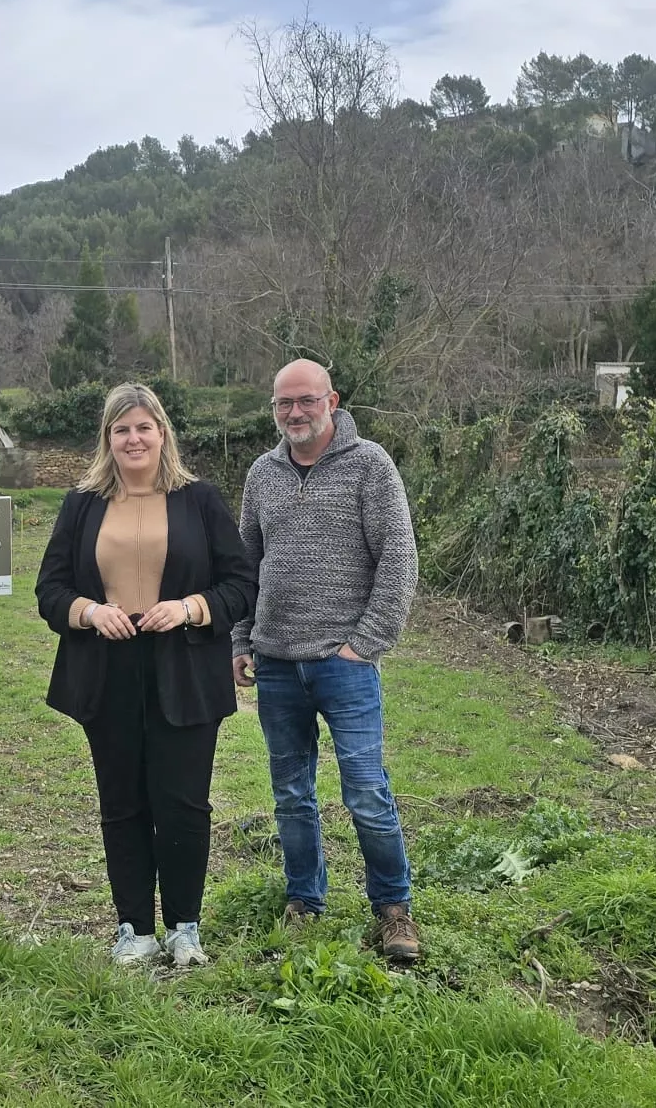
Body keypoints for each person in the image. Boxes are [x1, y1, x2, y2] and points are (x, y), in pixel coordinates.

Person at [35, 382, 257, 968]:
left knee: (183, 803)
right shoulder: (81, 503)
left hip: (184, 667)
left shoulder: (200, 500)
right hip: (107, 670)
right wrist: (89, 611)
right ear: (108, 439)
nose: (134, 438)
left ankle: (185, 926)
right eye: (121, 429)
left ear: (163, 433)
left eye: (144, 427)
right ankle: (132, 927)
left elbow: (240, 584)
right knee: (123, 803)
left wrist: (189, 608)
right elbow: (50, 590)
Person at [231, 358, 423, 963]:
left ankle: (394, 908)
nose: (294, 413)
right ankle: (304, 900)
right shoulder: (262, 475)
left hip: (346, 665)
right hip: (277, 664)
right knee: (291, 794)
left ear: (331, 401)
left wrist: (363, 643)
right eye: (283, 403)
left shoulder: (371, 467)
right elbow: (244, 567)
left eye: (306, 401)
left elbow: (399, 558)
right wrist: (241, 640)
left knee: (366, 791)